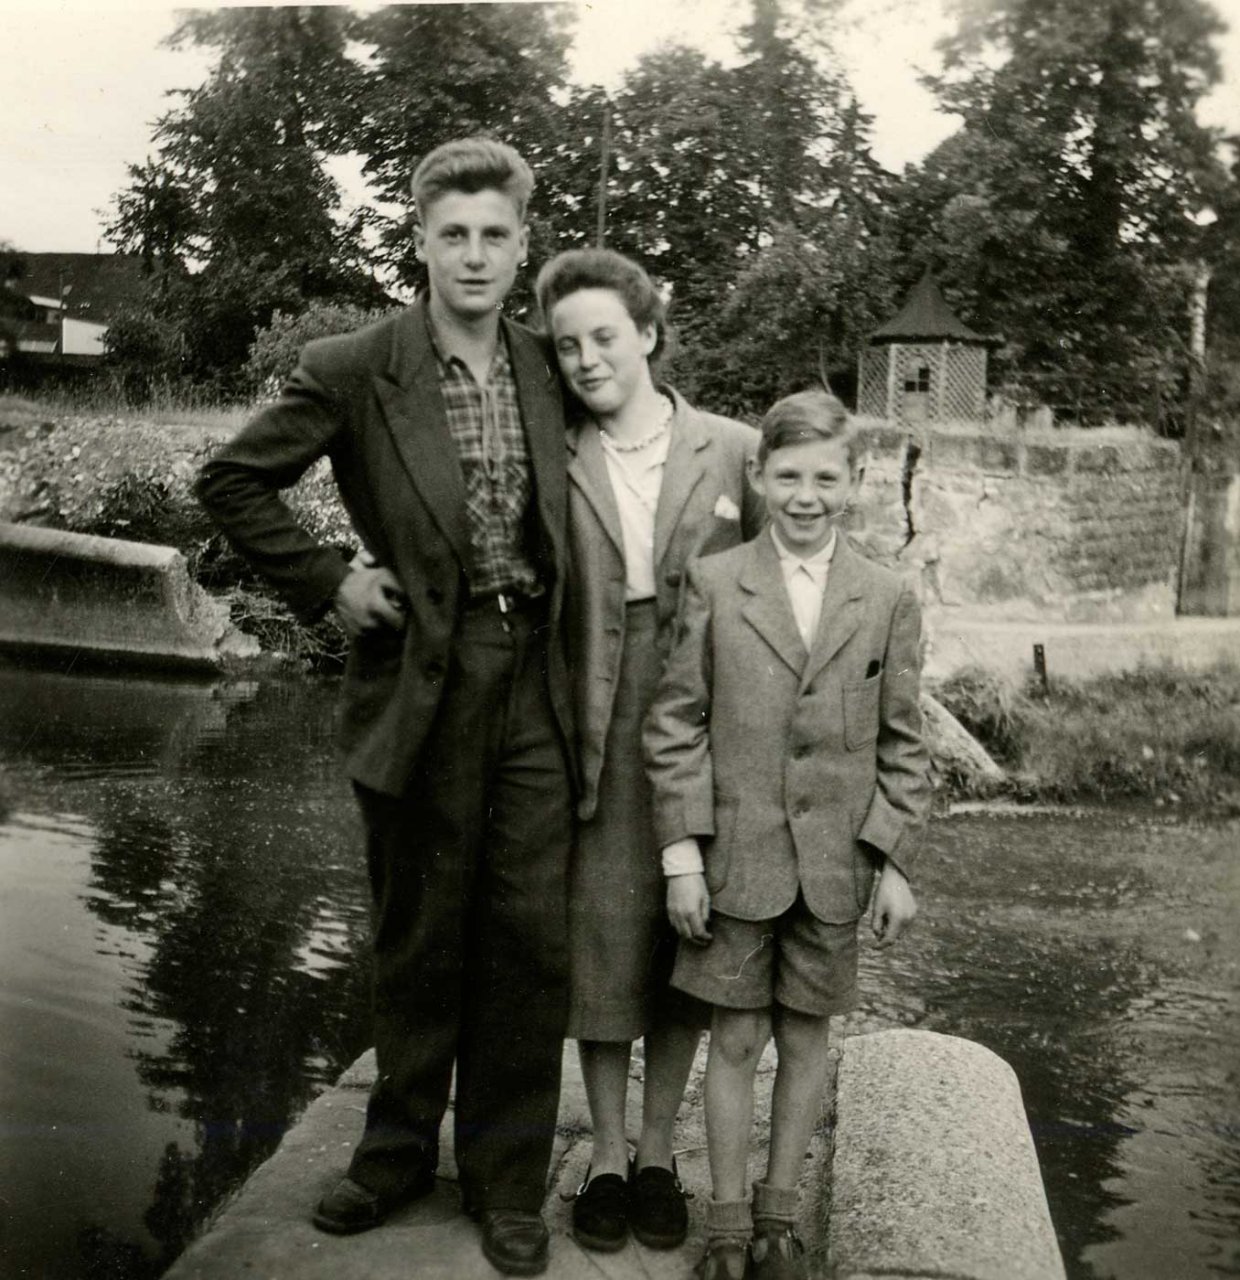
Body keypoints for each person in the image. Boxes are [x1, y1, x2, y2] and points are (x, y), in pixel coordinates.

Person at [196, 138, 574, 1278]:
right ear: (420, 242)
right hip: (420, 673)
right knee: (420, 925)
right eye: (453, 234)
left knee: (527, 935)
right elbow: (232, 480)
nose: (475, 255)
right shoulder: (358, 365)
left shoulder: (548, 363)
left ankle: (507, 1179)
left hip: (538, 674)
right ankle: (398, 1151)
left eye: (495, 234)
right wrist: (329, 581)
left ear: (523, 245)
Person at [644, 389, 932, 1280]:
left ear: (855, 482)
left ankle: (777, 1225)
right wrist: (682, 856)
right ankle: (727, 1229)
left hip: (836, 871)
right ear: (760, 477)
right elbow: (675, 726)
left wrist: (892, 860)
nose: (806, 497)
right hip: (736, 865)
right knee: (733, 1043)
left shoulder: (886, 596)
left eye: (825, 479)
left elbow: (903, 740)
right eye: (789, 477)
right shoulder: (716, 583)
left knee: (807, 1043)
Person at [534, 248, 765, 1254]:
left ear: (649, 336)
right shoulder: (555, 451)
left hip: (708, 723)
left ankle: (662, 1152)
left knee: (687, 943)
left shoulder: (733, 449)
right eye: (567, 345)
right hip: (591, 713)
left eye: (604, 337)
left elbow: (787, 576)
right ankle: (606, 1152)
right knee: (600, 939)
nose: (586, 359)